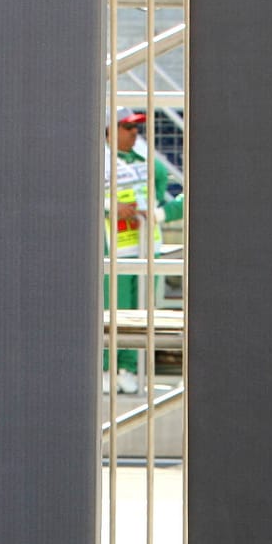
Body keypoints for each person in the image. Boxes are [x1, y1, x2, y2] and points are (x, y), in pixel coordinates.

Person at [105, 107, 184, 393]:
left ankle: (130, 369)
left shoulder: (148, 162)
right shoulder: (95, 160)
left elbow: (166, 197)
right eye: (127, 127)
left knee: (143, 310)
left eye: (135, 127)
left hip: (147, 247)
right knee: (113, 308)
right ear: (109, 130)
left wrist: (158, 214)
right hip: (113, 248)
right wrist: (110, 207)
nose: (134, 132)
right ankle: (107, 369)